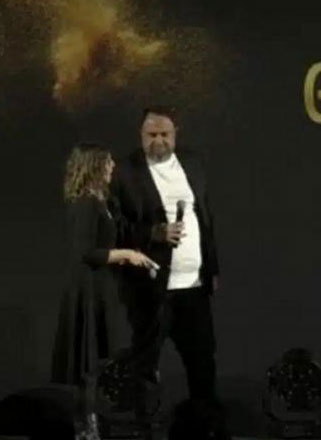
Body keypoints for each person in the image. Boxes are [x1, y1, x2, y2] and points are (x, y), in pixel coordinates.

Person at [111, 105, 225, 436]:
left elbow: (206, 218)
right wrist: (154, 233)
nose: (158, 141)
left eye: (165, 134)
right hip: (151, 288)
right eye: (152, 134)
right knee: (145, 365)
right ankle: (143, 428)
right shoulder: (124, 172)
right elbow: (114, 228)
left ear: (176, 134)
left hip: (194, 286)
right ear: (140, 135)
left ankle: (206, 428)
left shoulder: (192, 163)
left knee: (202, 361)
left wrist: (212, 267)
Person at [52, 142, 157, 386]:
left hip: (99, 286)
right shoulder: (86, 203)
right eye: (107, 161)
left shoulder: (101, 202)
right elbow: (86, 253)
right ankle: (87, 406)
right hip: (88, 288)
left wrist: (133, 252)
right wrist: (126, 254)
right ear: (94, 165)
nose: (112, 166)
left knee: (105, 351)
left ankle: (98, 404)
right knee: (92, 357)